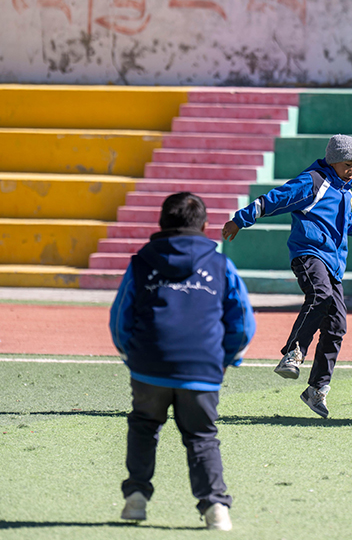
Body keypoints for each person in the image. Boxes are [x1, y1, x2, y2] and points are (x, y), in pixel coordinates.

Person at [222, 134, 352, 419]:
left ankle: (317, 388)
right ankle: (293, 352)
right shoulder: (313, 181)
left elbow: (349, 222)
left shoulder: (345, 191)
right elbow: (276, 198)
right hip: (308, 254)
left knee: (337, 326)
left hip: (334, 264)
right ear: (333, 159)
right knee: (320, 295)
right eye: (348, 164)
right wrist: (241, 219)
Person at [110, 192, 256, 531]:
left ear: (161, 224)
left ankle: (135, 499)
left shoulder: (140, 262)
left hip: (149, 364)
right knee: (202, 436)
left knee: (144, 426)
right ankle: (215, 508)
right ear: (205, 226)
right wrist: (227, 357)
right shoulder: (221, 264)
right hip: (202, 368)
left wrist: (130, 354)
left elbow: (120, 317)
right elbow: (242, 322)